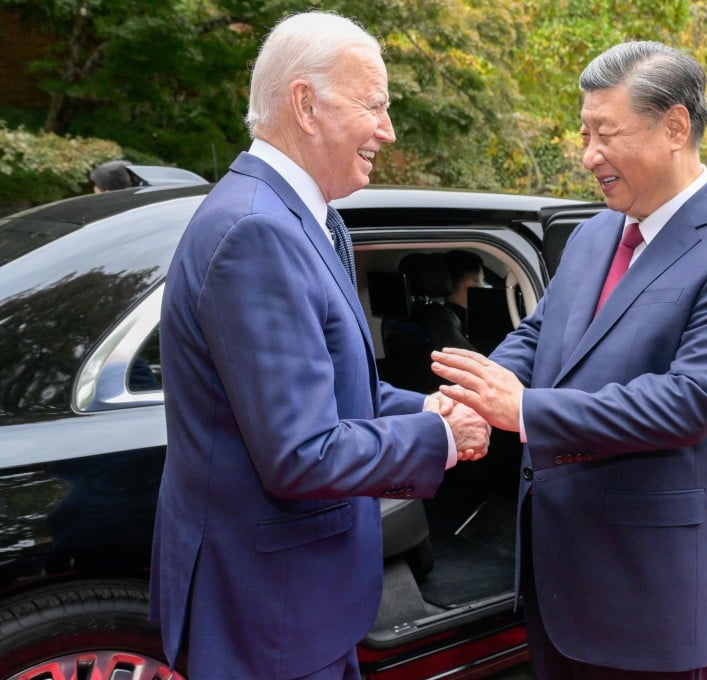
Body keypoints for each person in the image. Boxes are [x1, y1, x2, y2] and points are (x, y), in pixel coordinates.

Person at [431, 41, 707, 678]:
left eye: (606, 134)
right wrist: (475, 394)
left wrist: (524, 411)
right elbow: (542, 334)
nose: (588, 155)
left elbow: (690, 402)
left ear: (675, 127)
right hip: (557, 577)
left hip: (651, 595)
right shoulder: (595, 232)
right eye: (584, 135)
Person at [149, 11, 489, 680]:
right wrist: (444, 438)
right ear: (306, 105)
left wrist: (427, 407)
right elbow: (300, 454)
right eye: (374, 106)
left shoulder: (307, 217)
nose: (388, 130)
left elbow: (334, 385)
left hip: (292, 604)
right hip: (267, 615)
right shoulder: (257, 233)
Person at [443, 249, 485, 331]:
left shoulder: (440, 315)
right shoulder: (473, 323)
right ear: (471, 286)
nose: (483, 286)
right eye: (482, 280)